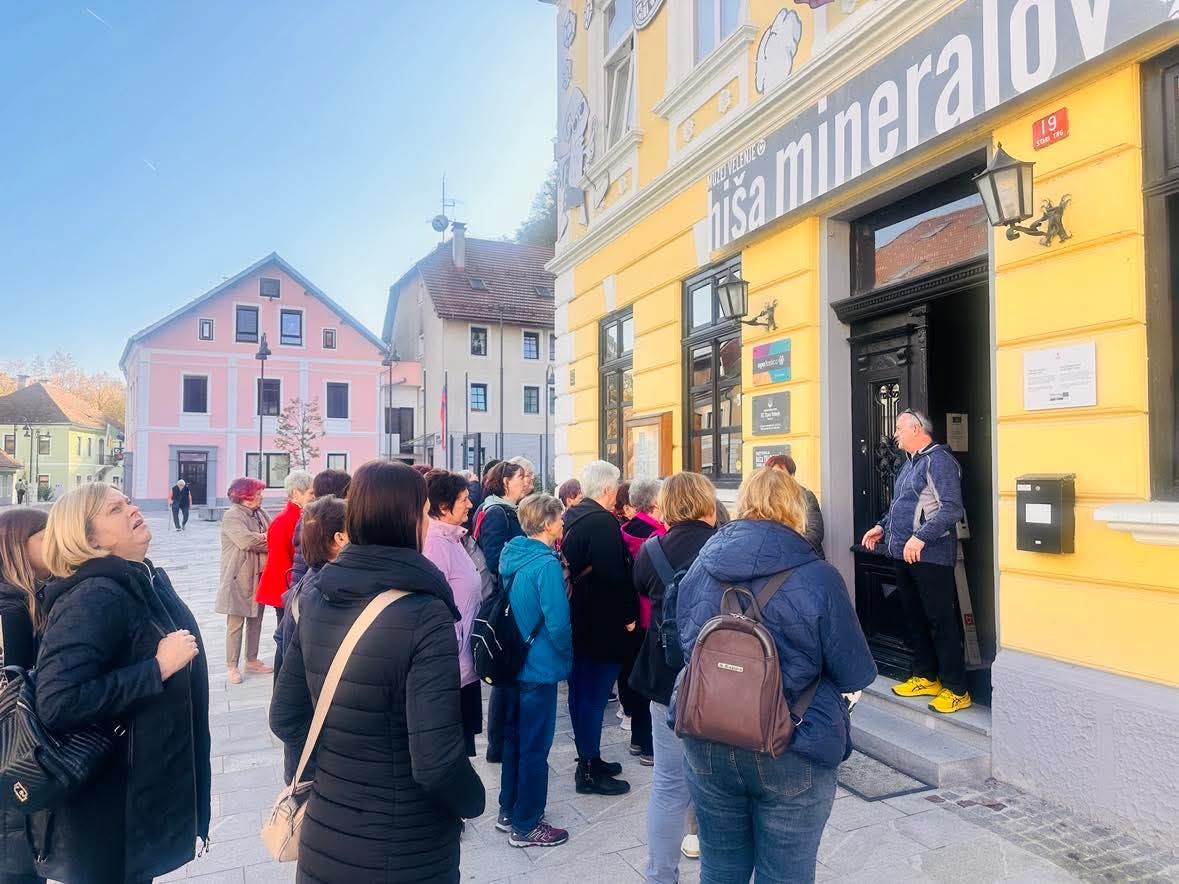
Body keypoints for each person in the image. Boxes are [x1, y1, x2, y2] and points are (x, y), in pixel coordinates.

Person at [270, 460, 485, 882]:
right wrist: (473, 800)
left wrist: (340, 766)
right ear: (406, 520)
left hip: (326, 832)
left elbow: (285, 716)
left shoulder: (314, 594)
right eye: (423, 512)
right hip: (405, 844)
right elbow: (436, 763)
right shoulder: (424, 613)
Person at [677, 468, 877, 883]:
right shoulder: (818, 575)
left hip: (709, 731)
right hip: (792, 740)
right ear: (795, 507)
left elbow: (683, 642)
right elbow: (854, 670)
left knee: (719, 869)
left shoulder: (702, 565)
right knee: (786, 875)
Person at [35, 483, 211, 883]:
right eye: (115, 509)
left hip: (135, 794)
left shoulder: (139, 579)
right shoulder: (95, 595)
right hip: (108, 807)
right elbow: (57, 700)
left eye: (128, 501)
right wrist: (156, 669)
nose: (132, 508)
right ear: (88, 536)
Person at [627, 472, 717, 884]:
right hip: (720, 678)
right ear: (705, 502)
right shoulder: (724, 543)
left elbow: (643, 589)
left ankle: (660, 876)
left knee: (667, 785)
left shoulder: (652, 550)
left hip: (667, 677)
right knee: (718, 785)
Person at [861, 408, 970, 714]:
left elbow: (951, 509)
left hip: (931, 557)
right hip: (902, 553)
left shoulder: (940, 461)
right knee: (916, 619)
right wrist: (882, 527)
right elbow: (901, 507)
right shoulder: (909, 464)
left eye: (899, 427)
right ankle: (926, 676)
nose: (895, 433)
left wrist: (921, 537)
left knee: (940, 622)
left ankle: (957, 689)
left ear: (917, 429)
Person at [495, 494, 573, 848]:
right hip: (538, 666)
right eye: (559, 518)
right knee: (535, 748)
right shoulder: (546, 565)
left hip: (513, 660)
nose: (562, 523)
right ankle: (527, 824)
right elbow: (558, 623)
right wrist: (568, 655)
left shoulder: (512, 555)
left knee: (515, 740)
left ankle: (508, 810)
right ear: (546, 523)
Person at [561, 460, 636, 796]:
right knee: (591, 697)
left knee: (582, 693)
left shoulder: (575, 515)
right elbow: (613, 576)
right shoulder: (602, 522)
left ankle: (588, 758)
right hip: (601, 625)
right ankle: (589, 769)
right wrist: (629, 615)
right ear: (609, 489)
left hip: (582, 620)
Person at [273, 494, 348, 783]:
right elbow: (287, 697)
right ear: (340, 538)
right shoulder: (321, 595)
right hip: (316, 747)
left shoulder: (310, 585)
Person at [0, 508, 50, 884]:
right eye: (46, 536)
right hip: (15, 758)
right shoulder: (13, 609)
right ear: (19, 545)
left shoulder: (26, 599)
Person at [422, 469, 483, 757]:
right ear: (444, 507)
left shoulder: (452, 538)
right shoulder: (435, 543)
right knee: (453, 748)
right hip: (451, 665)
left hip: (463, 662)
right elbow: (434, 606)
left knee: (463, 745)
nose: (470, 504)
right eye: (464, 499)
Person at [475, 461, 529, 763]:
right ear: (505, 481)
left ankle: (501, 741)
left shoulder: (504, 509)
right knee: (505, 675)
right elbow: (496, 558)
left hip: (510, 595)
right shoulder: (497, 512)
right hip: (504, 598)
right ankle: (498, 743)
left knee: (508, 675)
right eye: (521, 477)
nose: (526, 481)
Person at [618, 477, 664, 764]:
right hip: (651, 614)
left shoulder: (624, 530)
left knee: (633, 675)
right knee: (652, 678)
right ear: (656, 501)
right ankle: (649, 746)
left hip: (631, 613)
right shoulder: (657, 535)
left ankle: (637, 739)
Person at [217, 476, 271, 685]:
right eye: (257, 493)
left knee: (256, 620)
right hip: (238, 578)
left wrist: (266, 537)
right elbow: (245, 541)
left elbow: (274, 534)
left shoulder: (261, 513)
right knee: (235, 623)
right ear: (245, 496)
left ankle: (252, 660)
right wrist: (265, 538)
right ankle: (232, 666)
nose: (261, 497)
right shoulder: (232, 516)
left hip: (260, 575)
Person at [256, 470, 313, 626]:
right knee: (286, 636)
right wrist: (292, 592)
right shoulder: (285, 521)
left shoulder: (295, 518)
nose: (314, 497)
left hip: (291, 587)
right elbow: (281, 562)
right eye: (310, 493)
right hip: (286, 589)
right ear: (296, 494)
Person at [290, 468, 351, 587]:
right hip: (312, 587)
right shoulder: (323, 520)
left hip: (305, 585)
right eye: (349, 491)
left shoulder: (313, 516)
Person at [765, 454, 825, 558]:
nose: (776, 478)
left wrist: (788, 549)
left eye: (780, 473)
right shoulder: (765, 499)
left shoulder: (806, 496)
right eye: (772, 473)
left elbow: (815, 532)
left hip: (806, 558)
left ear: (792, 475)